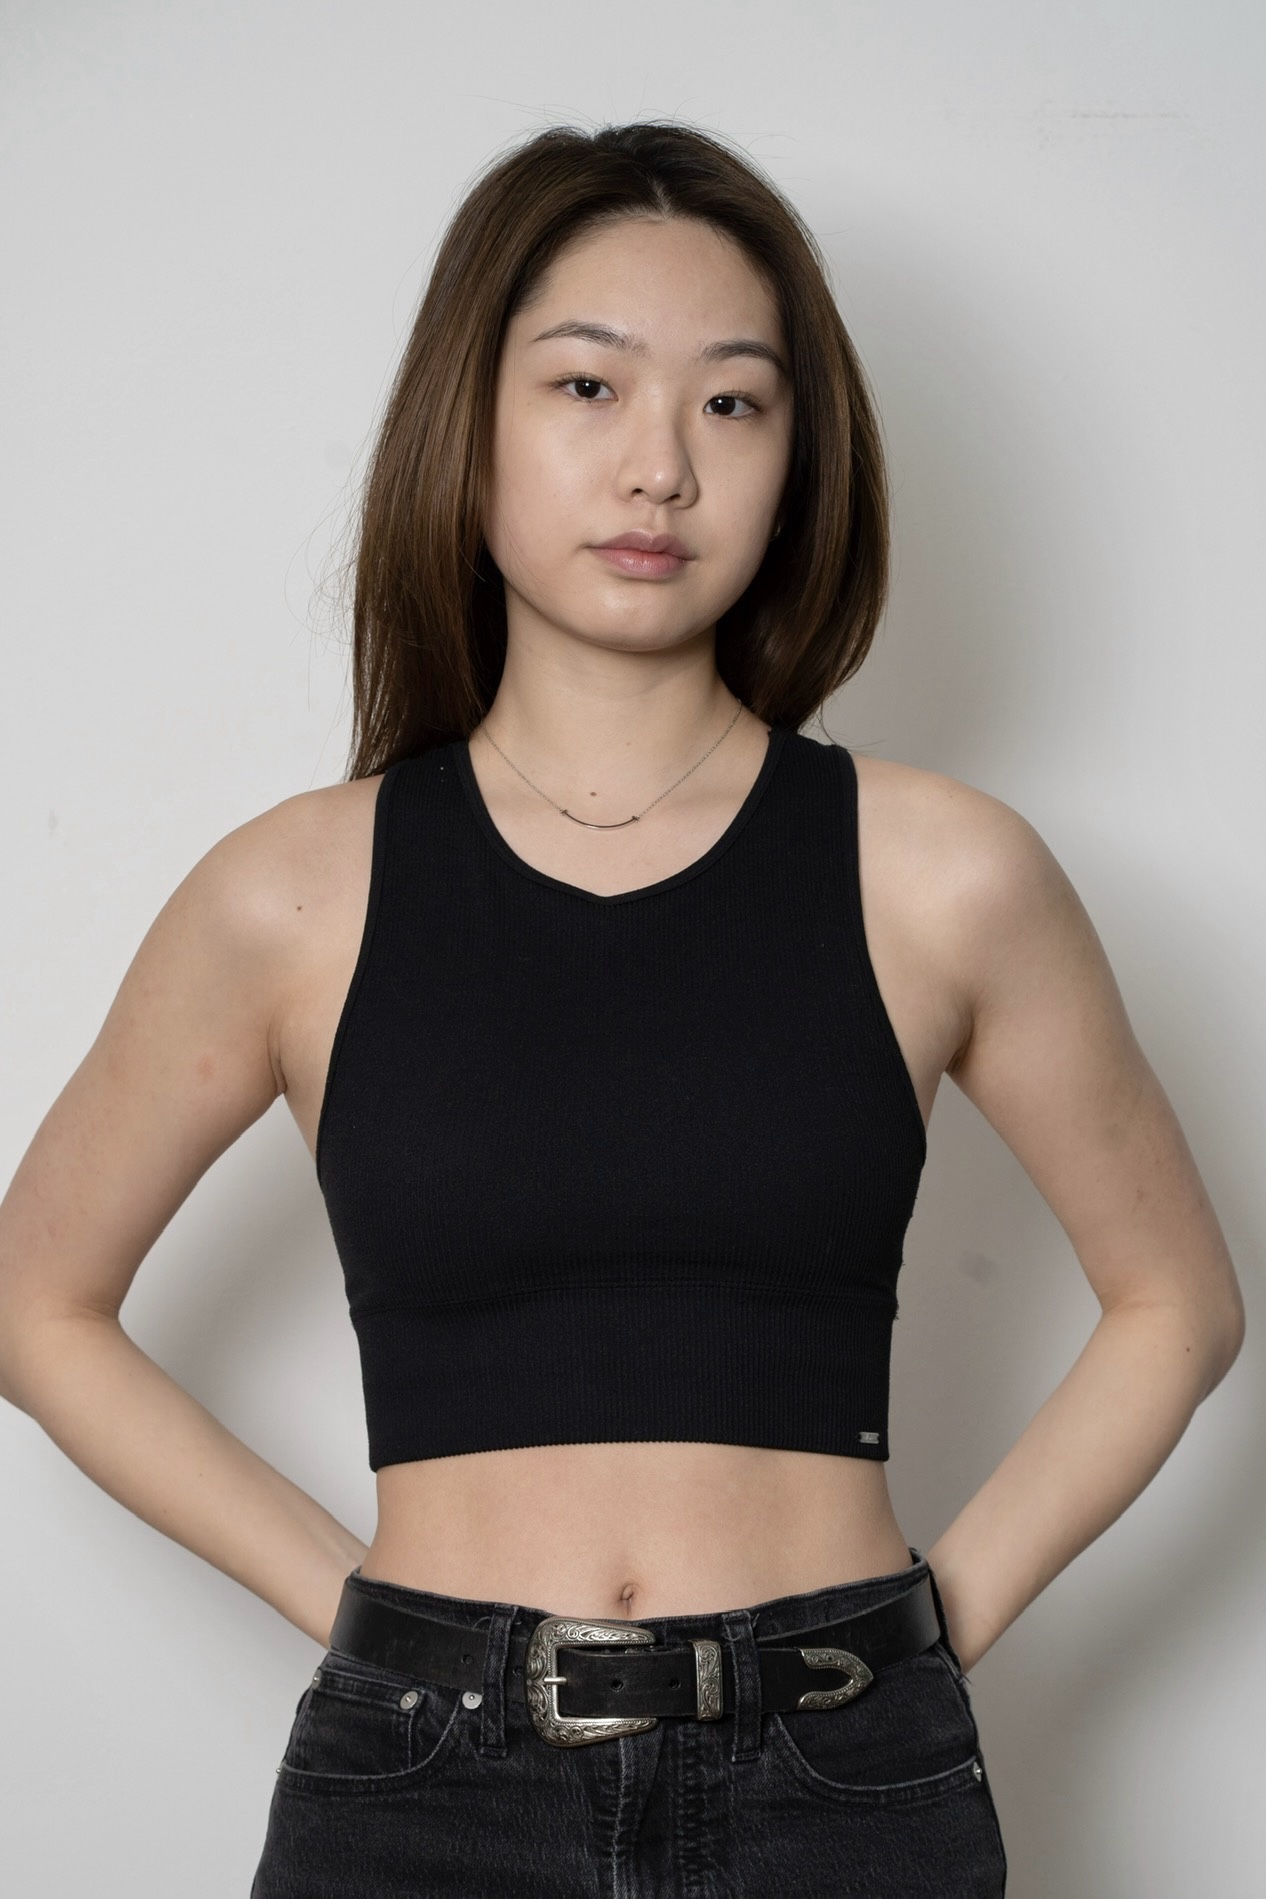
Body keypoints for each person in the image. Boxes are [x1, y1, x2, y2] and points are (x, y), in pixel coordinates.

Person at [0, 120, 1243, 1897]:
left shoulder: (941, 875)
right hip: (419, 1796)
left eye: (731, 404)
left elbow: (1176, 1301)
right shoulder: (290, 895)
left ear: (800, 464)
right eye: (587, 385)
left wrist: (919, 1639)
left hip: (839, 1784)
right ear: (469, 426)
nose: (658, 465)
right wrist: (362, 1616)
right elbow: (35, 1300)